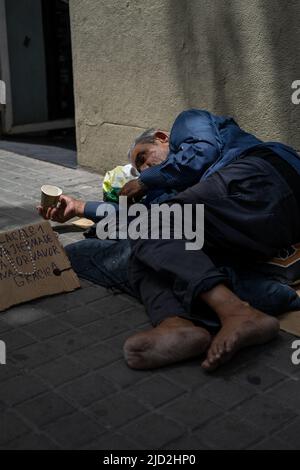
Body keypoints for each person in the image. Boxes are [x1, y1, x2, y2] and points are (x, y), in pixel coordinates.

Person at [38, 109, 300, 372]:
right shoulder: (176, 188)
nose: (146, 168)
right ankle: (176, 325)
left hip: (267, 177)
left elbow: (202, 154)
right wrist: (79, 207)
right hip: (258, 225)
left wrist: (146, 181)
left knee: (154, 224)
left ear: (162, 138)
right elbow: (140, 218)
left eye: (144, 158)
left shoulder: (188, 123)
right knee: (147, 243)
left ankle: (237, 312)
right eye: (140, 168)